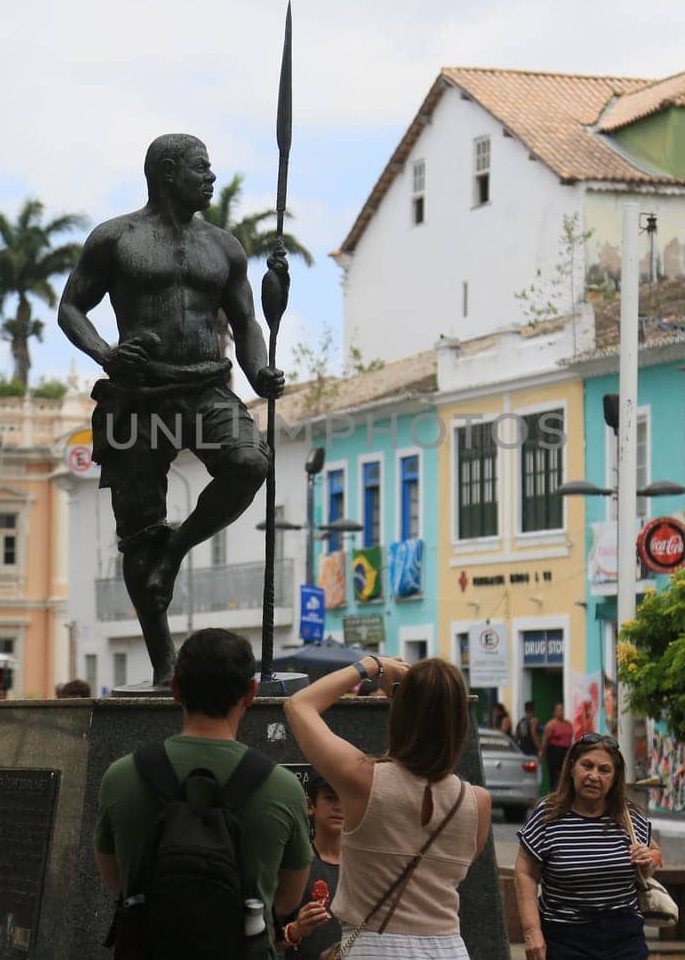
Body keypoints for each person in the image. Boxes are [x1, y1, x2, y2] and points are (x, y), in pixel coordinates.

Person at [58, 133, 287, 686]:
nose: (211, 178)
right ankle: (164, 665)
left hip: (206, 388)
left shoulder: (225, 247)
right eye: (201, 169)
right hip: (136, 396)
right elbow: (71, 308)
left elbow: (246, 322)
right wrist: (106, 353)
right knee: (139, 532)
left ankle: (176, 551)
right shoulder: (116, 238)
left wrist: (258, 372)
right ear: (166, 172)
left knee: (250, 462)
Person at [94, 628, 311, 951]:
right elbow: (287, 899)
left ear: (175, 690)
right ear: (252, 693)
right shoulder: (282, 786)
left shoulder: (121, 776)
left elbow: (118, 881)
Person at [286, 655, 492, 959]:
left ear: (400, 714)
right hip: (449, 947)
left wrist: (370, 666)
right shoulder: (478, 802)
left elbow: (299, 705)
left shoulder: (363, 780)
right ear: (459, 722)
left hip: (375, 947)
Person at [514, 733, 656, 960]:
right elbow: (525, 873)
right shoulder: (548, 814)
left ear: (615, 777)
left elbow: (653, 858)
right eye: (587, 766)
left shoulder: (629, 816)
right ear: (571, 768)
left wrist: (648, 860)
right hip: (565, 938)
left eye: (604, 770)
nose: (594, 776)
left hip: (624, 937)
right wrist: (532, 933)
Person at [283, 772, 344, 959]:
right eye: (330, 797)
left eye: (346, 798)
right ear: (310, 806)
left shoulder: (367, 870)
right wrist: (297, 929)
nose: (339, 807)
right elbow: (265, 936)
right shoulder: (295, 866)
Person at [540, 703, 575, 793]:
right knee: (555, 775)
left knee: (566, 773)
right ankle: (554, 793)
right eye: (559, 710)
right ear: (554, 712)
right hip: (554, 751)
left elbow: (570, 738)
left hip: (566, 751)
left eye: (562, 710)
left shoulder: (568, 724)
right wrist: (542, 753)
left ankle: (564, 793)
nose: (561, 712)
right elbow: (545, 741)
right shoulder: (551, 725)